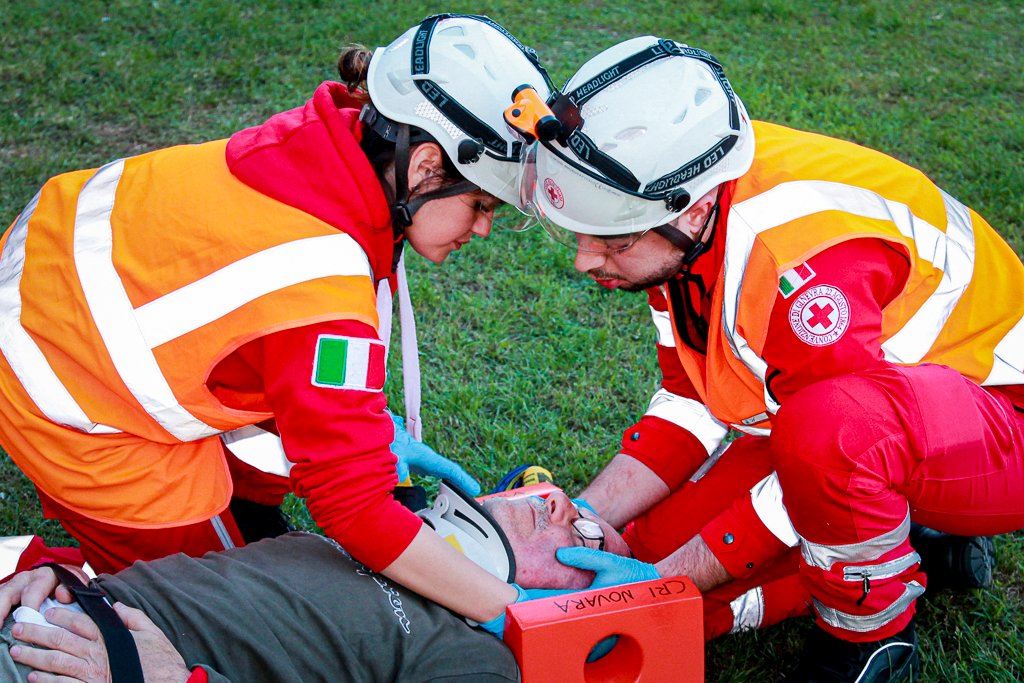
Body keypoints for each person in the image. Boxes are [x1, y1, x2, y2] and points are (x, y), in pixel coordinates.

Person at [0, 13, 561, 631]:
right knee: (200, 614)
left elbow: (283, 376)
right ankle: (35, 573)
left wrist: (279, 513)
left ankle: (244, 521)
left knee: (247, 544)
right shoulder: (319, 290)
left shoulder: (329, 151)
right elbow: (356, 511)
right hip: (68, 389)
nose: (484, 227)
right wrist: (516, 614)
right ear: (425, 166)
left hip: (54, 284)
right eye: (481, 204)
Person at [515, 36, 1024, 682]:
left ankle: (870, 640)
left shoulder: (802, 265)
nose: (586, 258)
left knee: (816, 450)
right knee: (647, 549)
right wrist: (588, 516)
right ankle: (913, 541)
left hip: (1000, 419)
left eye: (611, 237)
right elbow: (689, 401)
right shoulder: (685, 211)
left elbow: (819, 458)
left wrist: (654, 587)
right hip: (886, 413)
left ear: (692, 207)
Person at [0, 484, 627, 682]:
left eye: (590, 539)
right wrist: (63, 573)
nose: (561, 506)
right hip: (50, 602)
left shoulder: (475, 658)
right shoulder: (382, 539)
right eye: (568, 497)